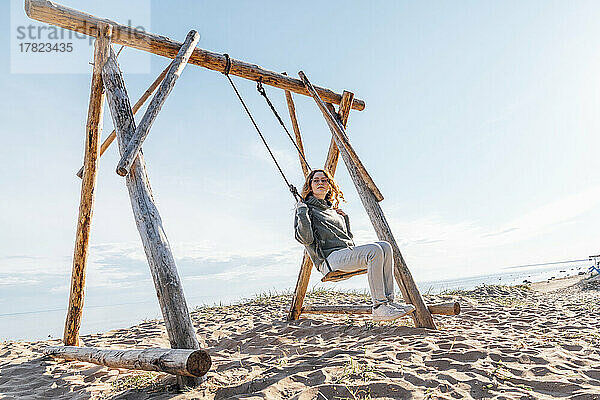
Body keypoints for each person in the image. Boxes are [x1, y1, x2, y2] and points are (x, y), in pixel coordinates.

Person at [294, 169, 415, 321]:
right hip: (328, 261)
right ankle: (379, 307)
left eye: (324, 180)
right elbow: (305, 239)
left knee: (385, 246)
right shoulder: (305, 209)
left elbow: (348, 241)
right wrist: (301, 212)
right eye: (316, 180)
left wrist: (345, 220)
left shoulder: (333, 210)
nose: (320, 183)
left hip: (342, 255)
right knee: (374, 250)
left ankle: (389, 302)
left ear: (329, 185)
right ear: (309, 186)